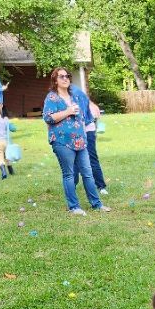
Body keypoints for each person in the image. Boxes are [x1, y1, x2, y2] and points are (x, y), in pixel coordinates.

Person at [42, 68, 109, 216]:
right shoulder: (52, 98)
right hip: (62, 141)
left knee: (88, 173)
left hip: (80, 141)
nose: (65, 79)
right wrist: (68, 111)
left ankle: (97, 204)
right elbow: (48, 118)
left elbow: (84, 113)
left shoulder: (74, 96)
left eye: (67, 76)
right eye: (61, 77)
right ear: (55, 80)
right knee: (69, 175)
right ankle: (74, 207)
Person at [84, 99, 108, 193]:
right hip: (77, 132)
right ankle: (71, 186)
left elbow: (95, 116)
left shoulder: (89, 105)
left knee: (92, 159)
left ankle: (101, 186)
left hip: (88, 131)